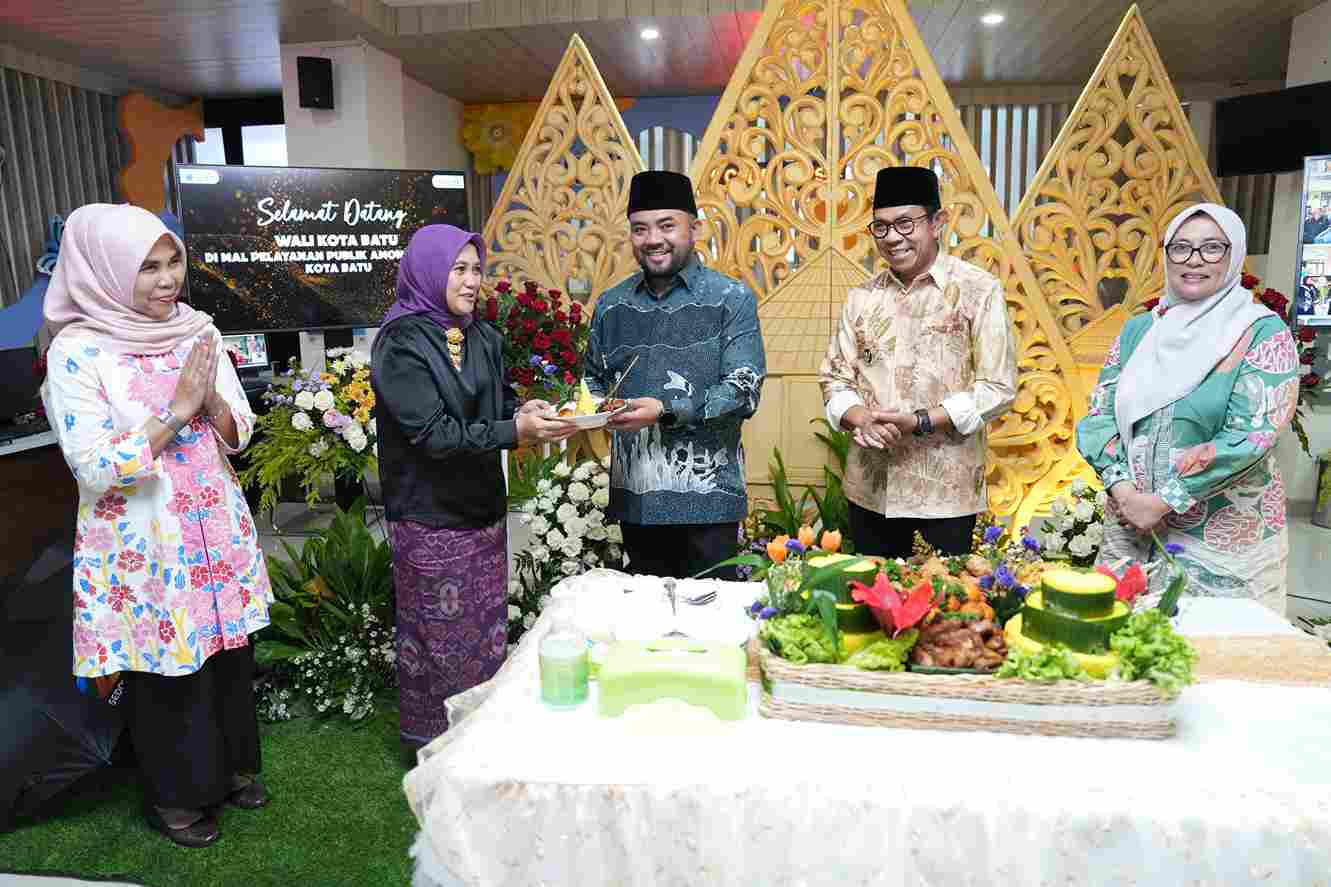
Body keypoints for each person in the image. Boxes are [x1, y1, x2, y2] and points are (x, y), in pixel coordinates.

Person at [41, 203, 272, 848]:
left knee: (224, 655)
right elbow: (92, 466)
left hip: (214, 528)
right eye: (148, 268)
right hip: (145, 544)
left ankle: (231, 770)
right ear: (106, 271)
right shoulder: (78, 351)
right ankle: (177, 799)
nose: (168, 281)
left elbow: (241, 430)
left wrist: (218, 404)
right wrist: (176, 411)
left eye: (173, 263)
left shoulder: (199, 328)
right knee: (168, 666)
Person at [370, 225, 574, 760]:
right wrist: (514, 432)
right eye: (457, 269)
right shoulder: (401, 343)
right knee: (437, 642)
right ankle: (436, 746)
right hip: (429, 517)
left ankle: (479, 740)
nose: (470, 280)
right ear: (430, 273)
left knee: (485, 637)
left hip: (482, 511)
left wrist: (521, 412)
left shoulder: (483, 336)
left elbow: (499, 403)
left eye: (476, 269)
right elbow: (433, 435)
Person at [1076, 203, 1296, 614]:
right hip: (1129, 530)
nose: (1194, 260)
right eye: (1181, 248)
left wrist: (1163, 501)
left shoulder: (1261, 332)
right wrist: (1126, 494)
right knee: (1125, 656)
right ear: (1166, 256)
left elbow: (1251, 437)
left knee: (1215, 663)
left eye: (1212, 248)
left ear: (1233, 258)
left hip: (1219, 541)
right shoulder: (1140, 330)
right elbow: (1099, 417)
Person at [819, 167, 1018, 559]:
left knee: (946, 610)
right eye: (881, 227)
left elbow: (998, 388)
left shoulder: (978, 290)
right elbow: (834, 377)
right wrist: (860, 418)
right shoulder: (862, 297)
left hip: (946, 494)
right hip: (870, 491)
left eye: (906, 224)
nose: (893, 238)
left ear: (938, 222)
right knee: (870, 606)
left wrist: (921, 421)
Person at [583, 170, 766, 579]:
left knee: (712, 621)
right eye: (640, 229)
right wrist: (597, 408)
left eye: (667, 225)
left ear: (694, 229)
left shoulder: (730, 299)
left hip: (708, 499)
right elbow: (593, 380)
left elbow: (743, 391)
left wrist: (665, 410)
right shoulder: (612, 306)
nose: (653, 239)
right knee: (643, 627)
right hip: (636, 498)